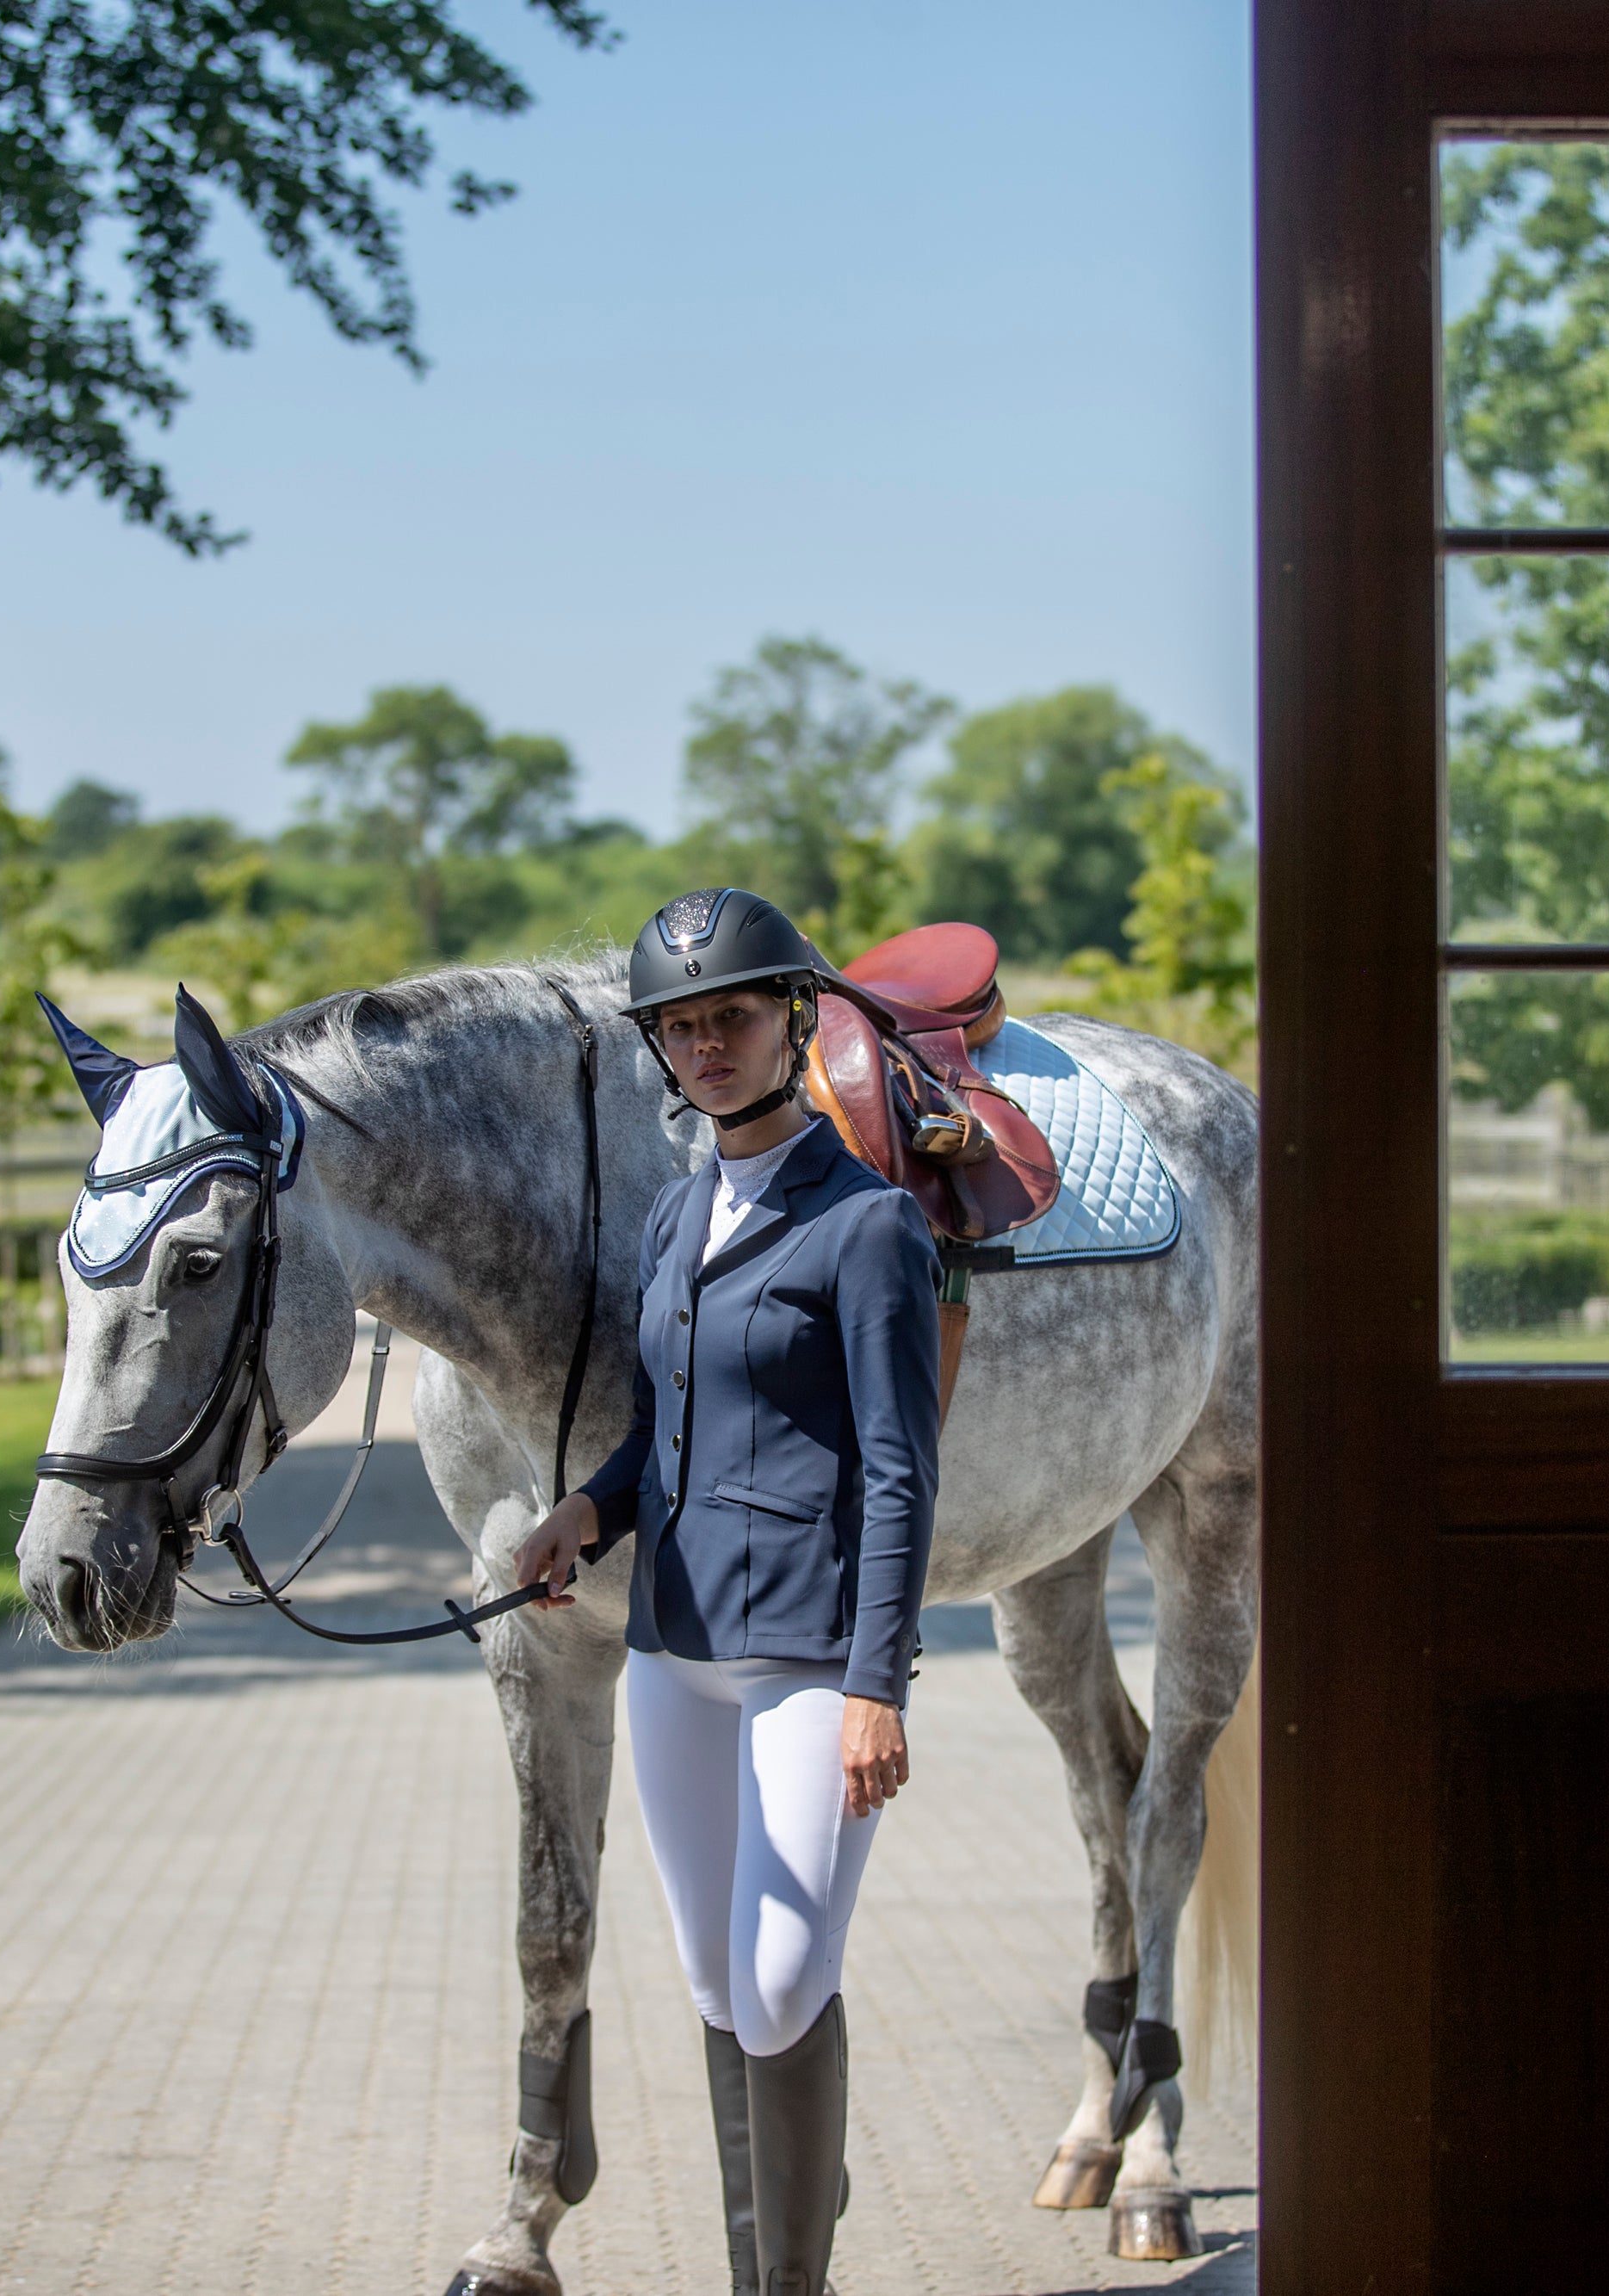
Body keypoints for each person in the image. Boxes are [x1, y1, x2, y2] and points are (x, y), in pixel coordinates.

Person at [512, 888, 944, 2296]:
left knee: (776, 1985)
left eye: (733, 1018)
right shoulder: (675, 1215)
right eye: (682, 1026)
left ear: (790, 1023)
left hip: (813, 1660)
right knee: (715, 1986)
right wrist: (589, 1507)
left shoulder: (870, 1229)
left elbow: (900, 1471)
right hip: (675, 1653)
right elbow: (668, 1426)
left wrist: (878, 1682)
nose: (707, 1044)